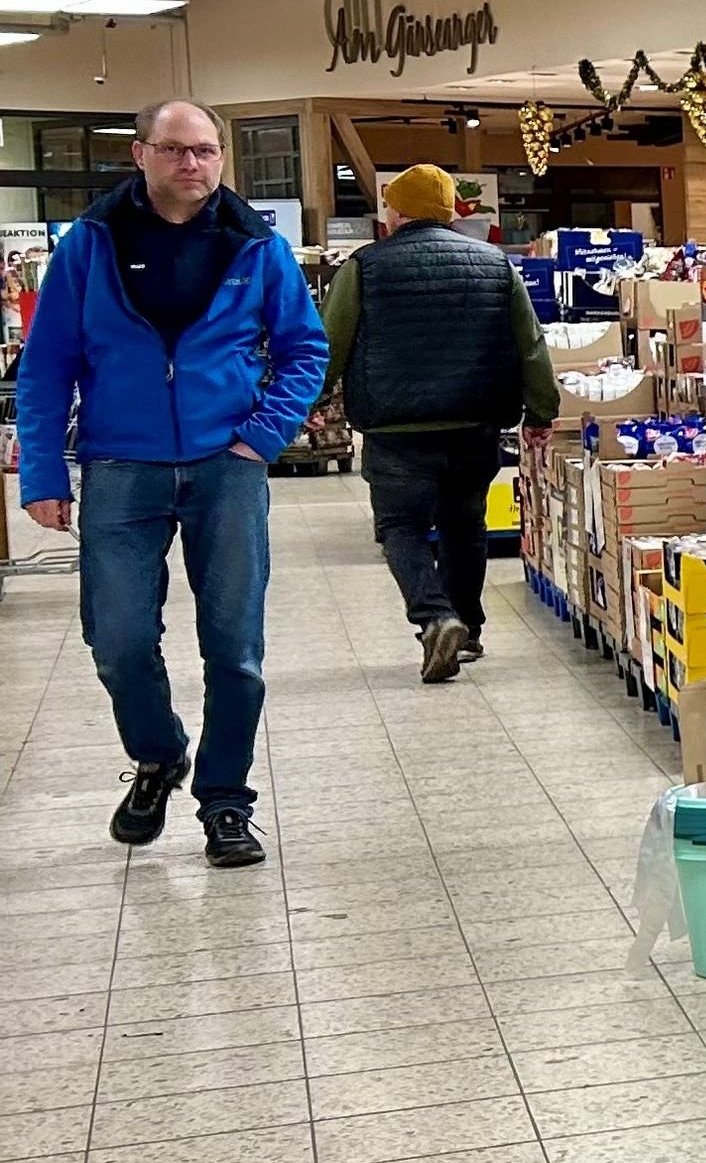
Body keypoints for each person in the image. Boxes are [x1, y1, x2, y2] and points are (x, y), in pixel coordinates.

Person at [12, 98, 327, 865]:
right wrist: (44, 469)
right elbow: (48, 364)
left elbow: (304, 349)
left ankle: (225, 800)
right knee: (117, 639)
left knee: (235, 647)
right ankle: (159, 755)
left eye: (208, 152)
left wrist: (263, 435)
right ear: (141, 156)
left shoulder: (255, 245)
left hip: (227, 466)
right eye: (178, 151)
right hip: (121, 464)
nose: (195, 165)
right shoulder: (92, 243)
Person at [326, 164, 556, 682]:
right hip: (474, 421)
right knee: (463, 526)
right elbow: (531, 347)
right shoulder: (496, 265)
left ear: (395, 212)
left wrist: (311, 400)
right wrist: (542, 411)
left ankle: (435, 616)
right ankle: (468, 630)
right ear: (452, 212)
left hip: (394, 428)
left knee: (401, 526)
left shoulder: (365, 266)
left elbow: (332, 343)